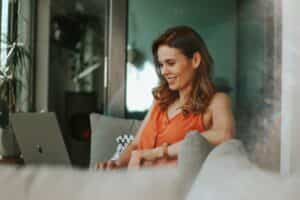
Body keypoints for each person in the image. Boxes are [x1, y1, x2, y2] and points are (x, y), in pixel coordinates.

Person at [97, 25, 235, 170]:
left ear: (195, 60)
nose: (164, 71)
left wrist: (160, 152)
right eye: (160, 65)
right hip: (134, 182)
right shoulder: (160, 101)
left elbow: (225, 135)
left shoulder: (217, 101)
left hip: (169, 188)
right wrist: (116, 164)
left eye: (170, 63)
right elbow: (136, 144)